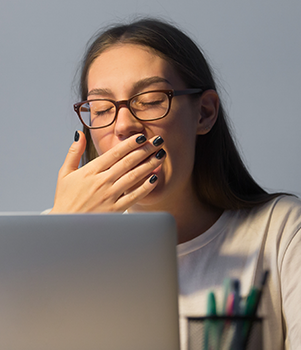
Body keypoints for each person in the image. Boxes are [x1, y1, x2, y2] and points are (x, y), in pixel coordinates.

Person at [48, 17, 301, 349]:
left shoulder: (279, 230)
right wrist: (60, 237)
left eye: (151, 100)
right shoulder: (55, 234)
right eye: (101, 108)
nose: (123, 125)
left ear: (204, 113)